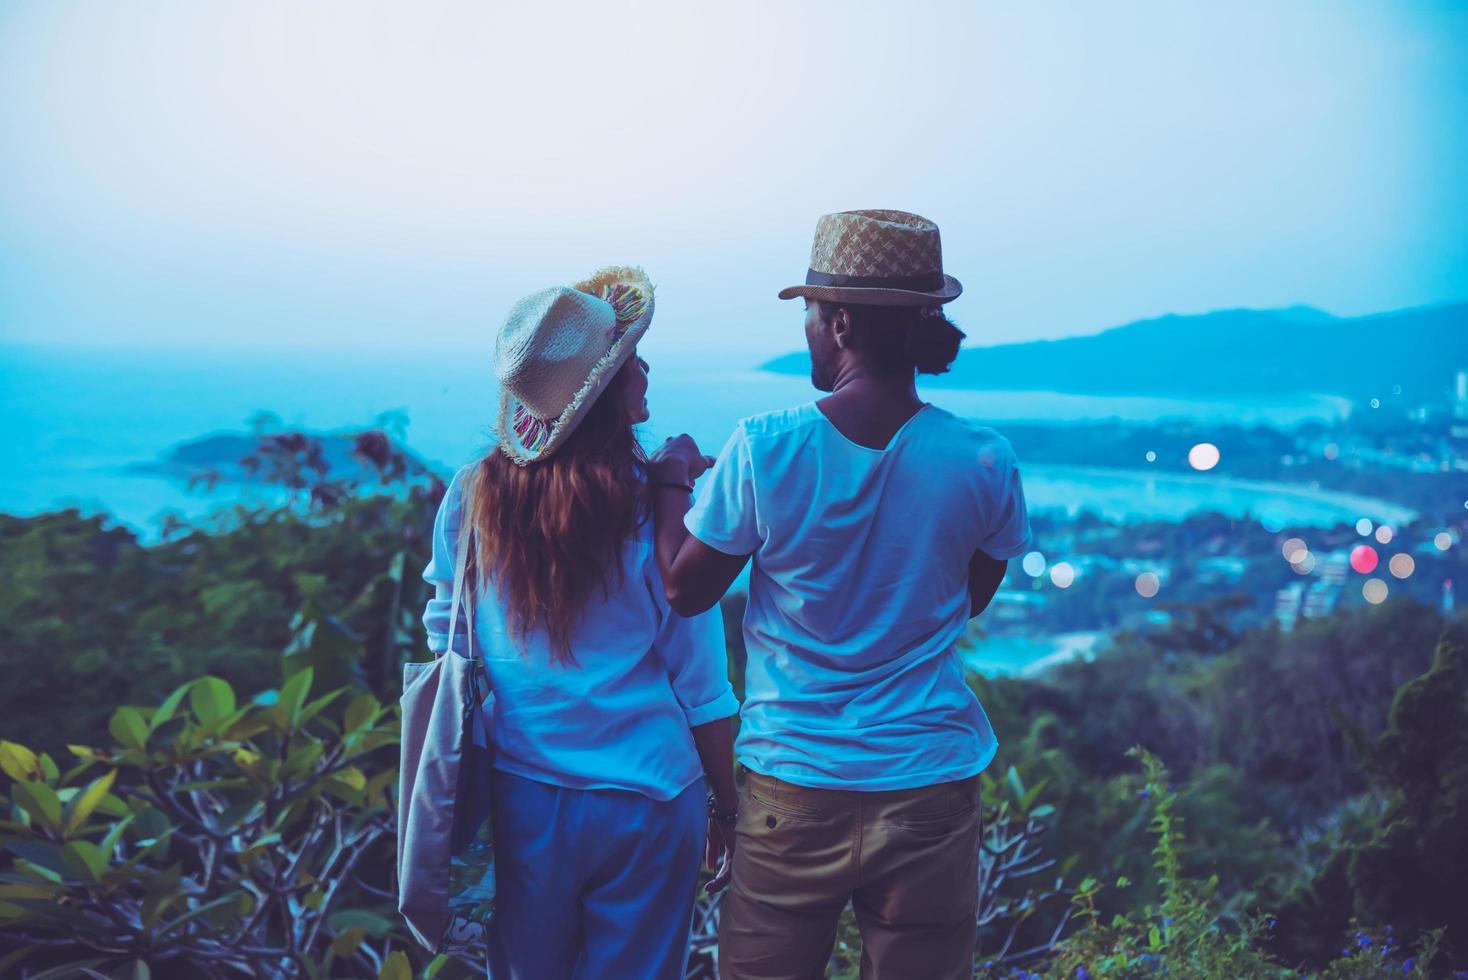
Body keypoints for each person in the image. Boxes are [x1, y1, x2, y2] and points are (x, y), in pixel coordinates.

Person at [647, 211, 1032, 979]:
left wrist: (669, 482)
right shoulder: (985, 460)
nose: (810, 335)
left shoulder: (768, 445)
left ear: (843, 322)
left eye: (813, 317)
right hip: (928, 778)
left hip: (794, 785)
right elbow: (968, 599)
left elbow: (682, 589)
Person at [421, 266, 740, 980]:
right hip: (652, 797)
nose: (646, 368)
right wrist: (729, 805)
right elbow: (702, 685)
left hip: (521, 798)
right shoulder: (656, 510)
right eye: (629, 362)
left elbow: (447, 633)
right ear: (605, 396)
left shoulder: (474, 496)